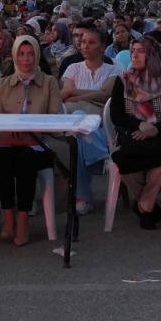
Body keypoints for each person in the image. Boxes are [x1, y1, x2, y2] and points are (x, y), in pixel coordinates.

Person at [0, 35, 64, 247]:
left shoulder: (49, 82)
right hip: (6, 140)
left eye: (31, 53)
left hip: (38, 141)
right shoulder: (3, 83)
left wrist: (30, 128)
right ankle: (8, 215)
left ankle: (23, 219)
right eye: (21, 54)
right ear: (15, 56)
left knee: (26, 158)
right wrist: (11, 128)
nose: (26, 58)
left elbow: (54, 116)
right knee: (2, 157)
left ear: (37, 55)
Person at [107, 37, 161, 229]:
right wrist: (139, 125)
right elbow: (116, 115)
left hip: (160, 138)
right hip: (130, 136)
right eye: (133, 51)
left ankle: (144, 204)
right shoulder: (123, 80)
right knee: (123, 159)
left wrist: (155, 129)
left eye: (141, 51)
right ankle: (148, 205)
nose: (135, 55)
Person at [61, 24, 120, 214]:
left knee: (78, 131)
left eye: (91, 42)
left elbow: (105, 96)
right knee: (78, 130)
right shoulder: (73, 68)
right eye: (83, 42)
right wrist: (91, 96)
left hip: (103, 127)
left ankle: (83, 198)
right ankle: (98, 158)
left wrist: (74, 94)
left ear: (102, 47)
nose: (85, 46)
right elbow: (64, 96)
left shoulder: (113, 69)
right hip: (81, 129)